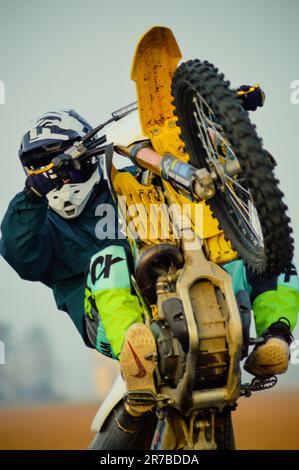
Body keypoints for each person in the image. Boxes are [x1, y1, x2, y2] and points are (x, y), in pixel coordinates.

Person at [0, 87, 298, 448]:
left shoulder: (124, 183)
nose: (58, 177)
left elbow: (182, 173)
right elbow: (20, 254)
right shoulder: (44, 227)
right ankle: (136, 352)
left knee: (261, 254)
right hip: (114, 324)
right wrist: (31, 195)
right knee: (108, 259)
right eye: (39, 167)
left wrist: (222, 115)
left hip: (179, 294)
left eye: (59, 163)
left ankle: (276, 338)